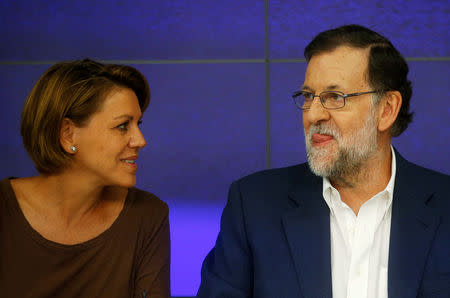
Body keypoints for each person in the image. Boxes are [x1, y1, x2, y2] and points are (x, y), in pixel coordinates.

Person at [197, 25, 449, 298]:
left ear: (386, 110)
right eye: (308, 96)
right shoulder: (254, 207)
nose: (313, 114)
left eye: (334, 97)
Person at [0, 59, 170, 298]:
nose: (140, 140)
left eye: (137, 124)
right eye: (123, 126)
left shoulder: (147, 215)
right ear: (68, 134)